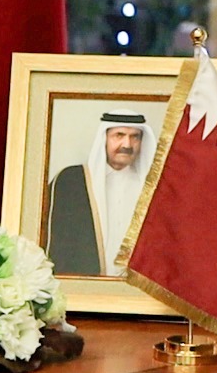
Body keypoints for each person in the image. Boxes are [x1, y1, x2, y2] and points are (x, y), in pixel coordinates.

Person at [45, 110, 152, 277]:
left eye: (135, 137)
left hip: (136, 288)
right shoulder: (71, 181)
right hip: (86, 287)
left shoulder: (153, 187)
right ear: (104, 138)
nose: (127, 144)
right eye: (119, 135)